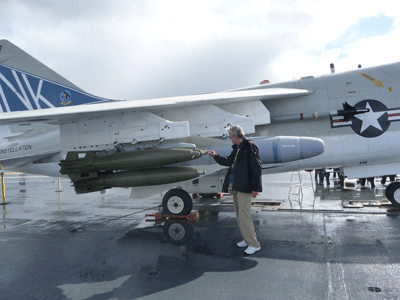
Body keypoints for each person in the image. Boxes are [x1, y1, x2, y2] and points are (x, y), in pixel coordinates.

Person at [208, 125, 262, 255]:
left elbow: (256, 167)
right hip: (236, 187)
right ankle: (247, 239)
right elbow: (228, 161)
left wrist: (256, 188)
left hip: (245, 187)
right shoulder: (238, 148)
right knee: (239, 215)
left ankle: (254, 244)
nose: (229, 139)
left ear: (236, 136)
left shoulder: (249, 146)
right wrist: (215, 156)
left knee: (244, 215)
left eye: (230, 137)